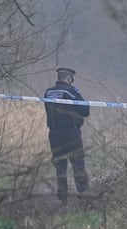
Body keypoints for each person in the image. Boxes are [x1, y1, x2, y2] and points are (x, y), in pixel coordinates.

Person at [44, 67, 90, 204]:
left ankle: (63, 199)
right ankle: (83, 195)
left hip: (54, 135)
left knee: (60, 167)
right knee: (78, 165)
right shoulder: (70, 92)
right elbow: (85, 110)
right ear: (69, 79)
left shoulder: (48, 92)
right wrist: (78, 93)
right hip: (71, 134)